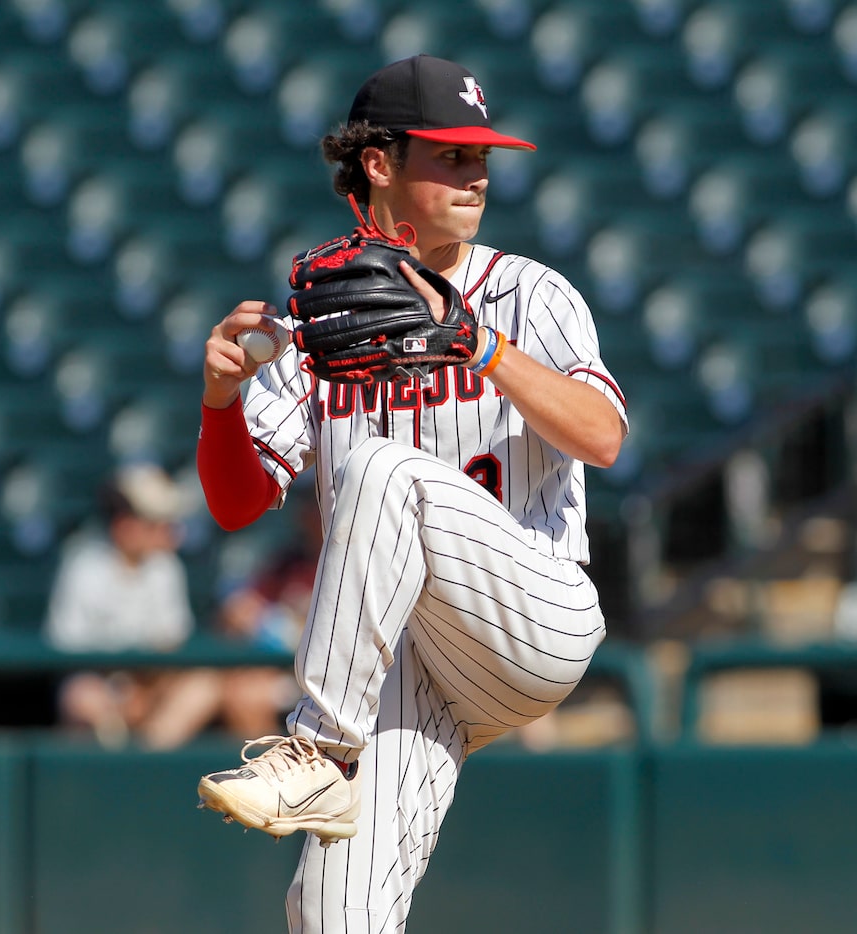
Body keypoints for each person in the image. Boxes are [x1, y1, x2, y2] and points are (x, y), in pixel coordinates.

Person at [194, 54, 628, 933]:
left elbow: (603, 436)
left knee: (381, 469)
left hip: (530, 615)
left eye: (481, 157)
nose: (477, 175)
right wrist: (218, 404)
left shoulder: (527, 293)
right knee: (331, 913)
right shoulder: (321, 314)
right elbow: (238, 505)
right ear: (379, 163)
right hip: (400, 667)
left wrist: (482, 347)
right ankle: (327, 763)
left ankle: (314, 752)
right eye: (450, 155)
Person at [46, 463, 279, 748]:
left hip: (150, 683)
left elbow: (171, 641)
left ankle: (148, 763)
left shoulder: (165, 567)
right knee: (81, 697)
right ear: (125, 525)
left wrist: (141, 686)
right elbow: (68, 647)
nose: (171, 533)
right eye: (157, 524)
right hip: (100, 682)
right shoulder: (83, 565)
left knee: (202, 685)